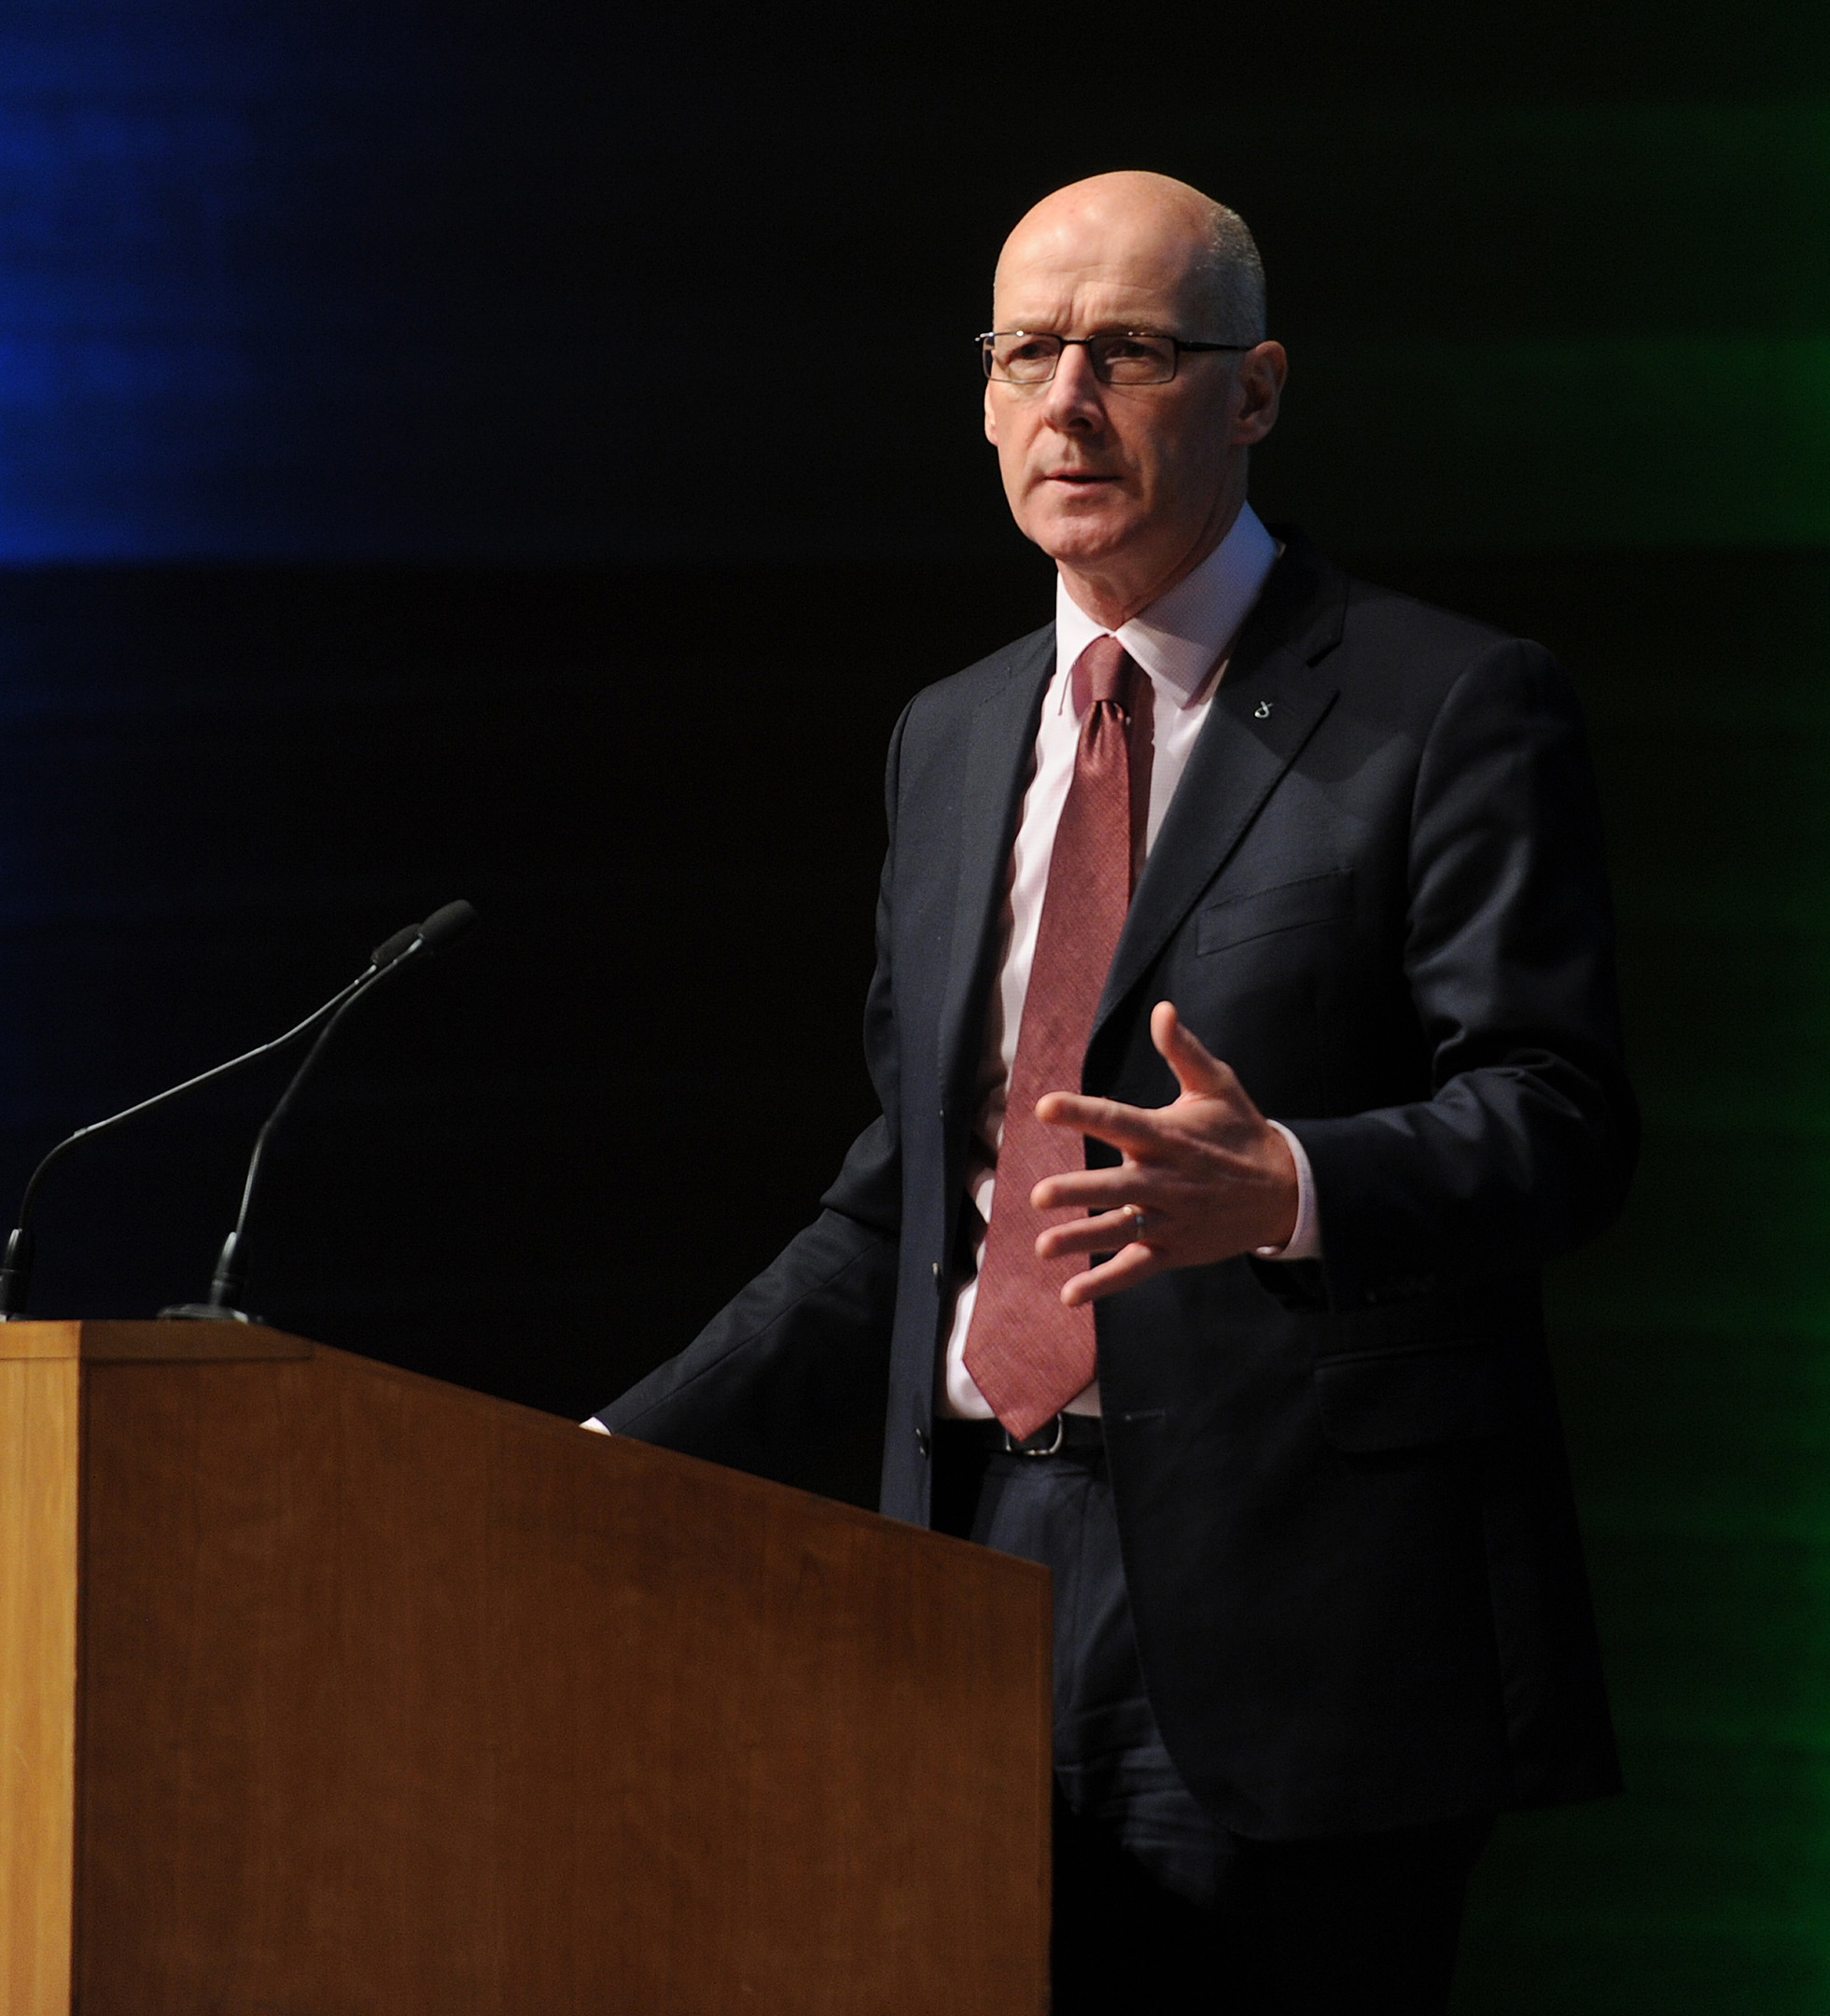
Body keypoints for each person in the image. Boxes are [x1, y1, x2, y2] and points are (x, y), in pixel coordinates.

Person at [589, 172, 1638, 2012]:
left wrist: (1293, 1181)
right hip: (971, 1585)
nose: (1068, 400)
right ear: (983, 396)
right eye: (1028, 352)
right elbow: (908, 1204)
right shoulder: (953, 732)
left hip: (1294, 1617)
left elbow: (1559, 1116)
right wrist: (604, 1465)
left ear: (1254, 392)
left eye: (1131, 352)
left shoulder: (1445, 703)